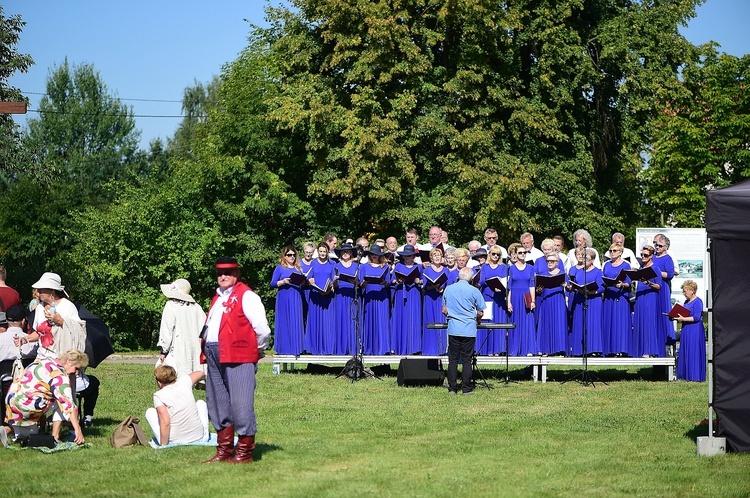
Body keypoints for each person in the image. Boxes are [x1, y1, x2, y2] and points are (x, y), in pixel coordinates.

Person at [203, 257, 270, 464]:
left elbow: (262, 330)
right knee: (218, 402)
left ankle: (244, 453)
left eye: (229, 273)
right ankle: (224, 450)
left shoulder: (247, 296)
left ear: (237, 274)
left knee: (241, 403)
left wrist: (256, 350)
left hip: (239, 353)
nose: (223, 276)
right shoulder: (218, 297)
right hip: (214, 353)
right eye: (220, 273)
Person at [5, 349, 87, 444]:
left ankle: (5, 430)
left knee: (31, 433)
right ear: (69, 361)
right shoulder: (60, 377)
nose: (76, 373)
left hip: (12, 401)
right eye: (76, 368)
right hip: (26, 405)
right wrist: (78, 430)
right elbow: (69, 405)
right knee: (61, 400)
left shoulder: (46, 360)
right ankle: (55, 437)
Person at [21, 272, 85, 360]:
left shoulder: (67, 306)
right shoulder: (40, 307)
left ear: (52, 291)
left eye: (41, 289)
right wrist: (25, 339)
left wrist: (61, 321)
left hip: (61, 358)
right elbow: (39, 332)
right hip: (41, 358)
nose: (38, 292)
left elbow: (79, 332)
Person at [442, 267, 485, 395]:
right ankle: (466, 388)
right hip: (468, 329)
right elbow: (481, 311)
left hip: (454, 328)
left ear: (458, 277)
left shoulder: (448, 289)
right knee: (467, 359)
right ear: (471, 278)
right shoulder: (474, 290)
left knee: (453, 359)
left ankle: (452, 388)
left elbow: (444, 310)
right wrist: (476, 314)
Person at [145, 365, 209, 446]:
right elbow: (200, 373)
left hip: (174, 441)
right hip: (200, 438)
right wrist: (204, 377)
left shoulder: (158, 395)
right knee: (200, 403)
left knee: (150, 412)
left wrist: (163, 445)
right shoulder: (185, 381)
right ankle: (204, 431)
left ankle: (165, 441)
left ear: (159, 382)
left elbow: (165, 422)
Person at [157, 278, 206, 376]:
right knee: (189, 380)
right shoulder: (197, 307)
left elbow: (167, 330)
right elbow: (205, 329)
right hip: (194, 350)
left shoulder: (171, 305)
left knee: (171, 378)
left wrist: (164, 351)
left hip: (178, 348)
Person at [567, 247, 604, 356]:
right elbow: (574, 285)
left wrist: (591, 292)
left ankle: (593, 349)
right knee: (579, 323)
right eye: (583, 257)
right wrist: (572, 287)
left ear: (592, 260)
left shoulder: (598, 272)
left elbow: (601, 288)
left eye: (586, 258)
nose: (584, 259)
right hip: (580, 299)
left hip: (593, 301)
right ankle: (578, 350)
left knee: (592, 324)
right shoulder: (578, 271)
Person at [270, 246, 305, 356]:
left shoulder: (299, 269)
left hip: (296, 297)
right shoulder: (280, 268)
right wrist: (283, 281)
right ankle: (284, 348)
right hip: (284, 298)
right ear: (284, 256)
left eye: (294, 255)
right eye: (289, 255)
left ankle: (296, 349)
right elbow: (272, 283)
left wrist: (304, 281)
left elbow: (302, 284)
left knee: (296, 321)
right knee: (285, 321)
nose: (292, 257)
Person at [631, 245, 663, 358]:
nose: (643, 257)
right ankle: (638, 350)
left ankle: (648, 350)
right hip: (640, 298)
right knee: (640, 321)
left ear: (651, 256)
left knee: (649, 323)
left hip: (650, 298)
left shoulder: (656, 269)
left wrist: (648, 283)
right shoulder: (641, 268)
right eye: (642, 255)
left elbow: (659, 286)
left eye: (646, 255)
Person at [358, 246, 391, 355]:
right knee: (369, 321)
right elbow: (360, 284)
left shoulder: (385, 267)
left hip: (381, 297)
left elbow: (388, 283)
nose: (374, 255)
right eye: (372, 253)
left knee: (382, 321)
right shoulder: (363, 267)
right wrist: (363, 284)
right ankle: (368, 348)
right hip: (369, 297)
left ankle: (383, 348)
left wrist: (385, 283)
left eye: (376, 253)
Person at [305, 242, 336, 354]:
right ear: (318, 252)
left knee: (328, 322)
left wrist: (330, 287)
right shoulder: (313, 263)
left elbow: (334, 279)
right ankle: (313, 348)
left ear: (328, 252)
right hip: (316, 296)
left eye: (325, 251)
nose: (323, 254)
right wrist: (309, 281)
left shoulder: (332, 264)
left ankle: (328, 348)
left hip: (328, 296)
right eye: (321, 251)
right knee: (315, 322)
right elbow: (307, 278)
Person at [390, 244, 423, 355]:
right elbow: (393, 280)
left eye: (409, 256)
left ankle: (414, 348)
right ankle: (400, 347)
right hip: (401, 293)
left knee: (414, 319)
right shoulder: (398, 266)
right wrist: (397, 281)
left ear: (414, 256)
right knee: (401, 318)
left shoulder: (418, 267)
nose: (407, 258)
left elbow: (423, 280)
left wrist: (419, 281)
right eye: (405, 256)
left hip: (414, 294)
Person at [601, 244, 632, 357]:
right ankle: (609, 350)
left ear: (620, 252)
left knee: (620, 322)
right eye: (610, 251)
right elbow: (602, 278)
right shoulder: (606, 265)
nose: (612, 252)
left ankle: (622, 348)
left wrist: (622, 284)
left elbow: (629, 282)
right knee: (609, 322)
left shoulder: (626, 265)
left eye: (614, 250)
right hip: (609, 296)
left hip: (621, 296)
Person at [478, 245, 509, 355]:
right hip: (487, 296)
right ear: (489, 255)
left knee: (498, 322)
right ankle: (486, 350)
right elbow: (481, 281)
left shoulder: (504, 267)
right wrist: (489, 282)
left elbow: (506, 281)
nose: (495, 256)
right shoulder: (485, 267)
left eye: (498, 254)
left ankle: (499, 349)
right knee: (487, 322)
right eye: (493, 254)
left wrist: (500, 286)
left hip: (499, 298)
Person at [535, 253, 568, 356]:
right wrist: (539, 289)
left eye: (552, 261)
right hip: (546, 300)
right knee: (546, 323)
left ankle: (559, 348)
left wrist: (566, 286)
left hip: (558, 300)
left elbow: (569, 288)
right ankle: (545, 348)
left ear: (557, 263)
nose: (549, 263)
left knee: (558, 323)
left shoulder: (562, 274)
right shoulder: (543, 274)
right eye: (548, 261)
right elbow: (538, 290)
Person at [507, 245, 537, 356]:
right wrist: (508, 302)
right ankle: (515, 349)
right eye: (520, 252)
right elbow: (509, 287)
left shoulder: (530, 268)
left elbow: (532, 285)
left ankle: (528, 349)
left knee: (527, 322)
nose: (523, 254)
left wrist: (533, 300)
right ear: (515, 254)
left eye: (524, 252)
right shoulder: (511, 268)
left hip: (526, 296)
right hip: (515, 297)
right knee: (515, 322)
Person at [675, 280, 706, 382]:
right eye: (683, 291)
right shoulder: (685, 302)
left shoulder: (698, 302)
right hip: (686, 329)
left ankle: (695, 376)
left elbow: (697, 317)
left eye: (685, 291)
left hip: (695, 330)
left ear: (692, 291)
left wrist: (683, 319)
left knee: (694, 351)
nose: (684, 294)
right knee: (685, 351)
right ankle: (685, 375)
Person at [652, 233, 678, 350]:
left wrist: (656, 272)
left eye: (660, 246)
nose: (657, 248)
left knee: (663, 311)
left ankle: (665, 339)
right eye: (656, 245)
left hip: (663, 288)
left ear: (666, 247)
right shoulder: (652, 257)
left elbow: (670, 274)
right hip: (651, 287)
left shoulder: (668, 259)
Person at [422, 248, 450, 356]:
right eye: (435, 255)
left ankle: (442, 349)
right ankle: (429, 349)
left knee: (441, 321)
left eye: (439, 255)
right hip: (430, 298)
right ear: (431, 258)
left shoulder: (446, 270)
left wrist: (442, 289)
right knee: (430, 322)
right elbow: (424, 287)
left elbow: (448, 287)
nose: (437, 257)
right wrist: (432, 287)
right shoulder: (426, 271)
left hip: (441, 299)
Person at [333, 243, 359, 355]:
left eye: (348, 251)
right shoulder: (336, 266)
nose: (345, 253)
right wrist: (335, 280)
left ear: (351, 253)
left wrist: (355, 282)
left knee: (352, 323)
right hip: (340, 296)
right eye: (343, 252)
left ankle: (353, 349)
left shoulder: (357, 266)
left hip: (352, 296)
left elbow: (360, 283)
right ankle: (340, 349)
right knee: (340, 321)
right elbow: (333, 286)